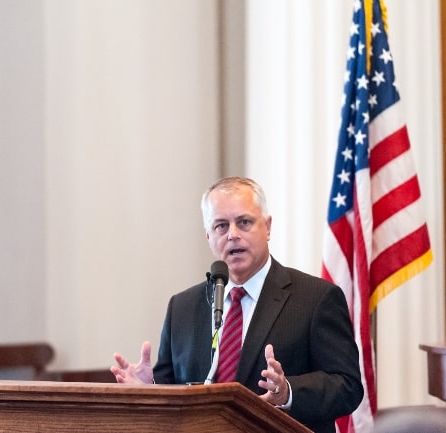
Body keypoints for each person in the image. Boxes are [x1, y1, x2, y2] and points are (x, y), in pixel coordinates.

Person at [111, 176, 363, 433]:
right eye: (221, 226)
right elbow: (174, 387)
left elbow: (347, 386)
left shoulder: (315, 298)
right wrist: (150, 388)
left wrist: (287, 391)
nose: (232, 235)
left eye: (244, 222)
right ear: (208, 236)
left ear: (267, 227)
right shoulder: (183, 307)